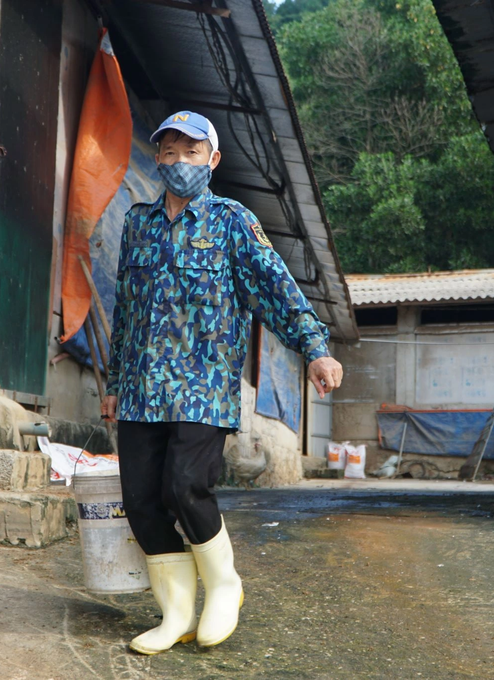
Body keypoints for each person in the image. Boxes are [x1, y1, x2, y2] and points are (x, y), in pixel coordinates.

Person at [102, 111, 343, 654]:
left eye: (192, 152)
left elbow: (276, 287)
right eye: (169, 151)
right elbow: (125, 310)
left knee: (185, 488)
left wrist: (315, 348)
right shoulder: (137, 222)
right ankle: (175, 613)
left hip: (203, 386)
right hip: (141, 387)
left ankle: (226, 585)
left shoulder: (232, 220)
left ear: (212, 160)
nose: (178, 162)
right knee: (141, 501)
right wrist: (115, 381)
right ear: (157, 158)